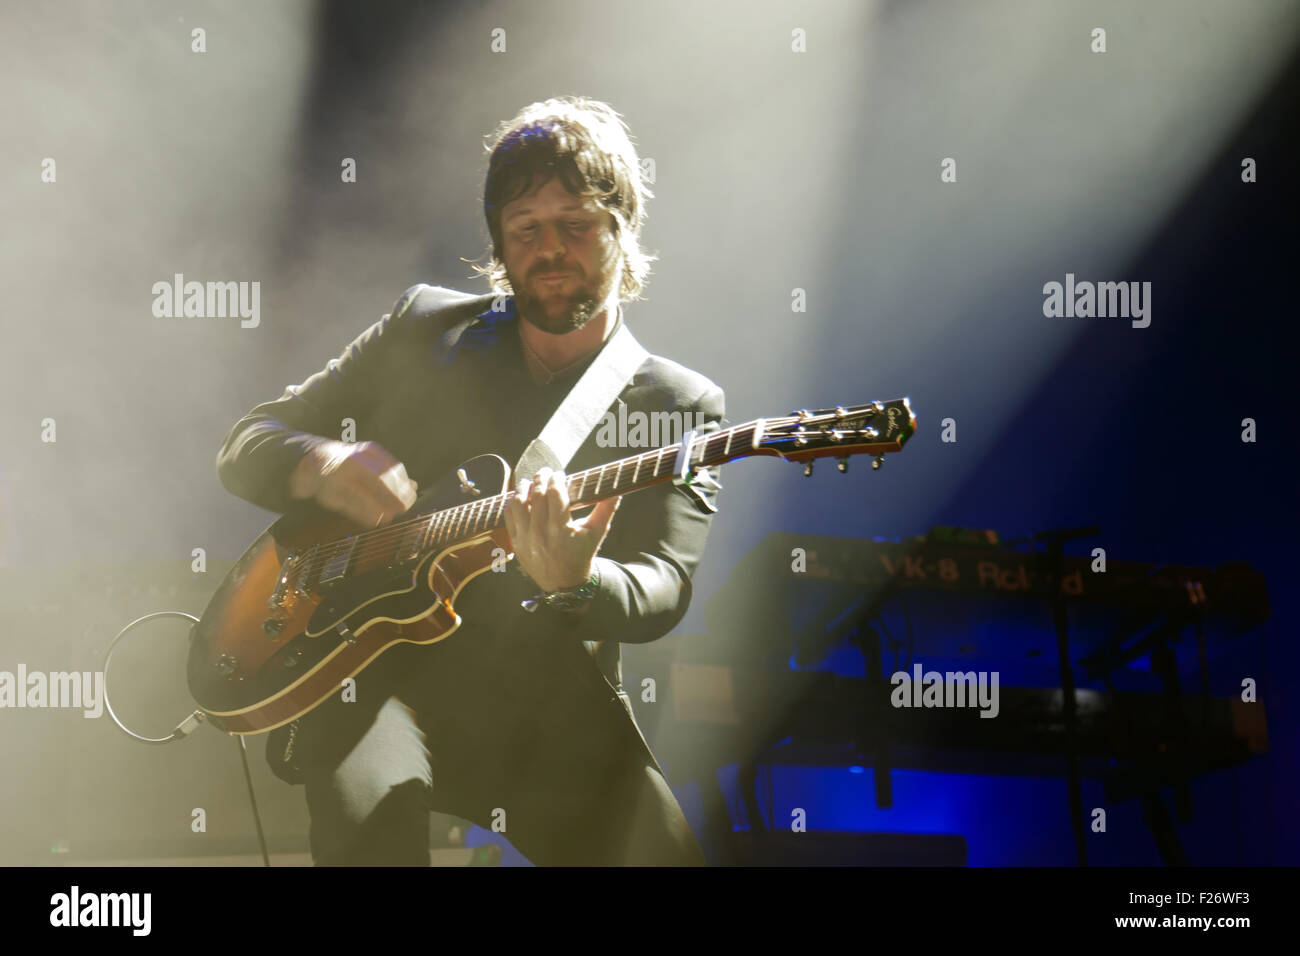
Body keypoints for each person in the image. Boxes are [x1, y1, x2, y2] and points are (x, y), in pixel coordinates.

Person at [215, 96, 725, 865]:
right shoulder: (424, 327)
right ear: (499, 243)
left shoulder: (677, 403)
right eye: (526, 229)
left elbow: (663, 584)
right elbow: (248, 442)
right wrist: (324, 466)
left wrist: (577, 582)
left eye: (577, 224)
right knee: (369, 836)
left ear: (622, 226)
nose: (551, 248)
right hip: (378, 678)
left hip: (548, 704)